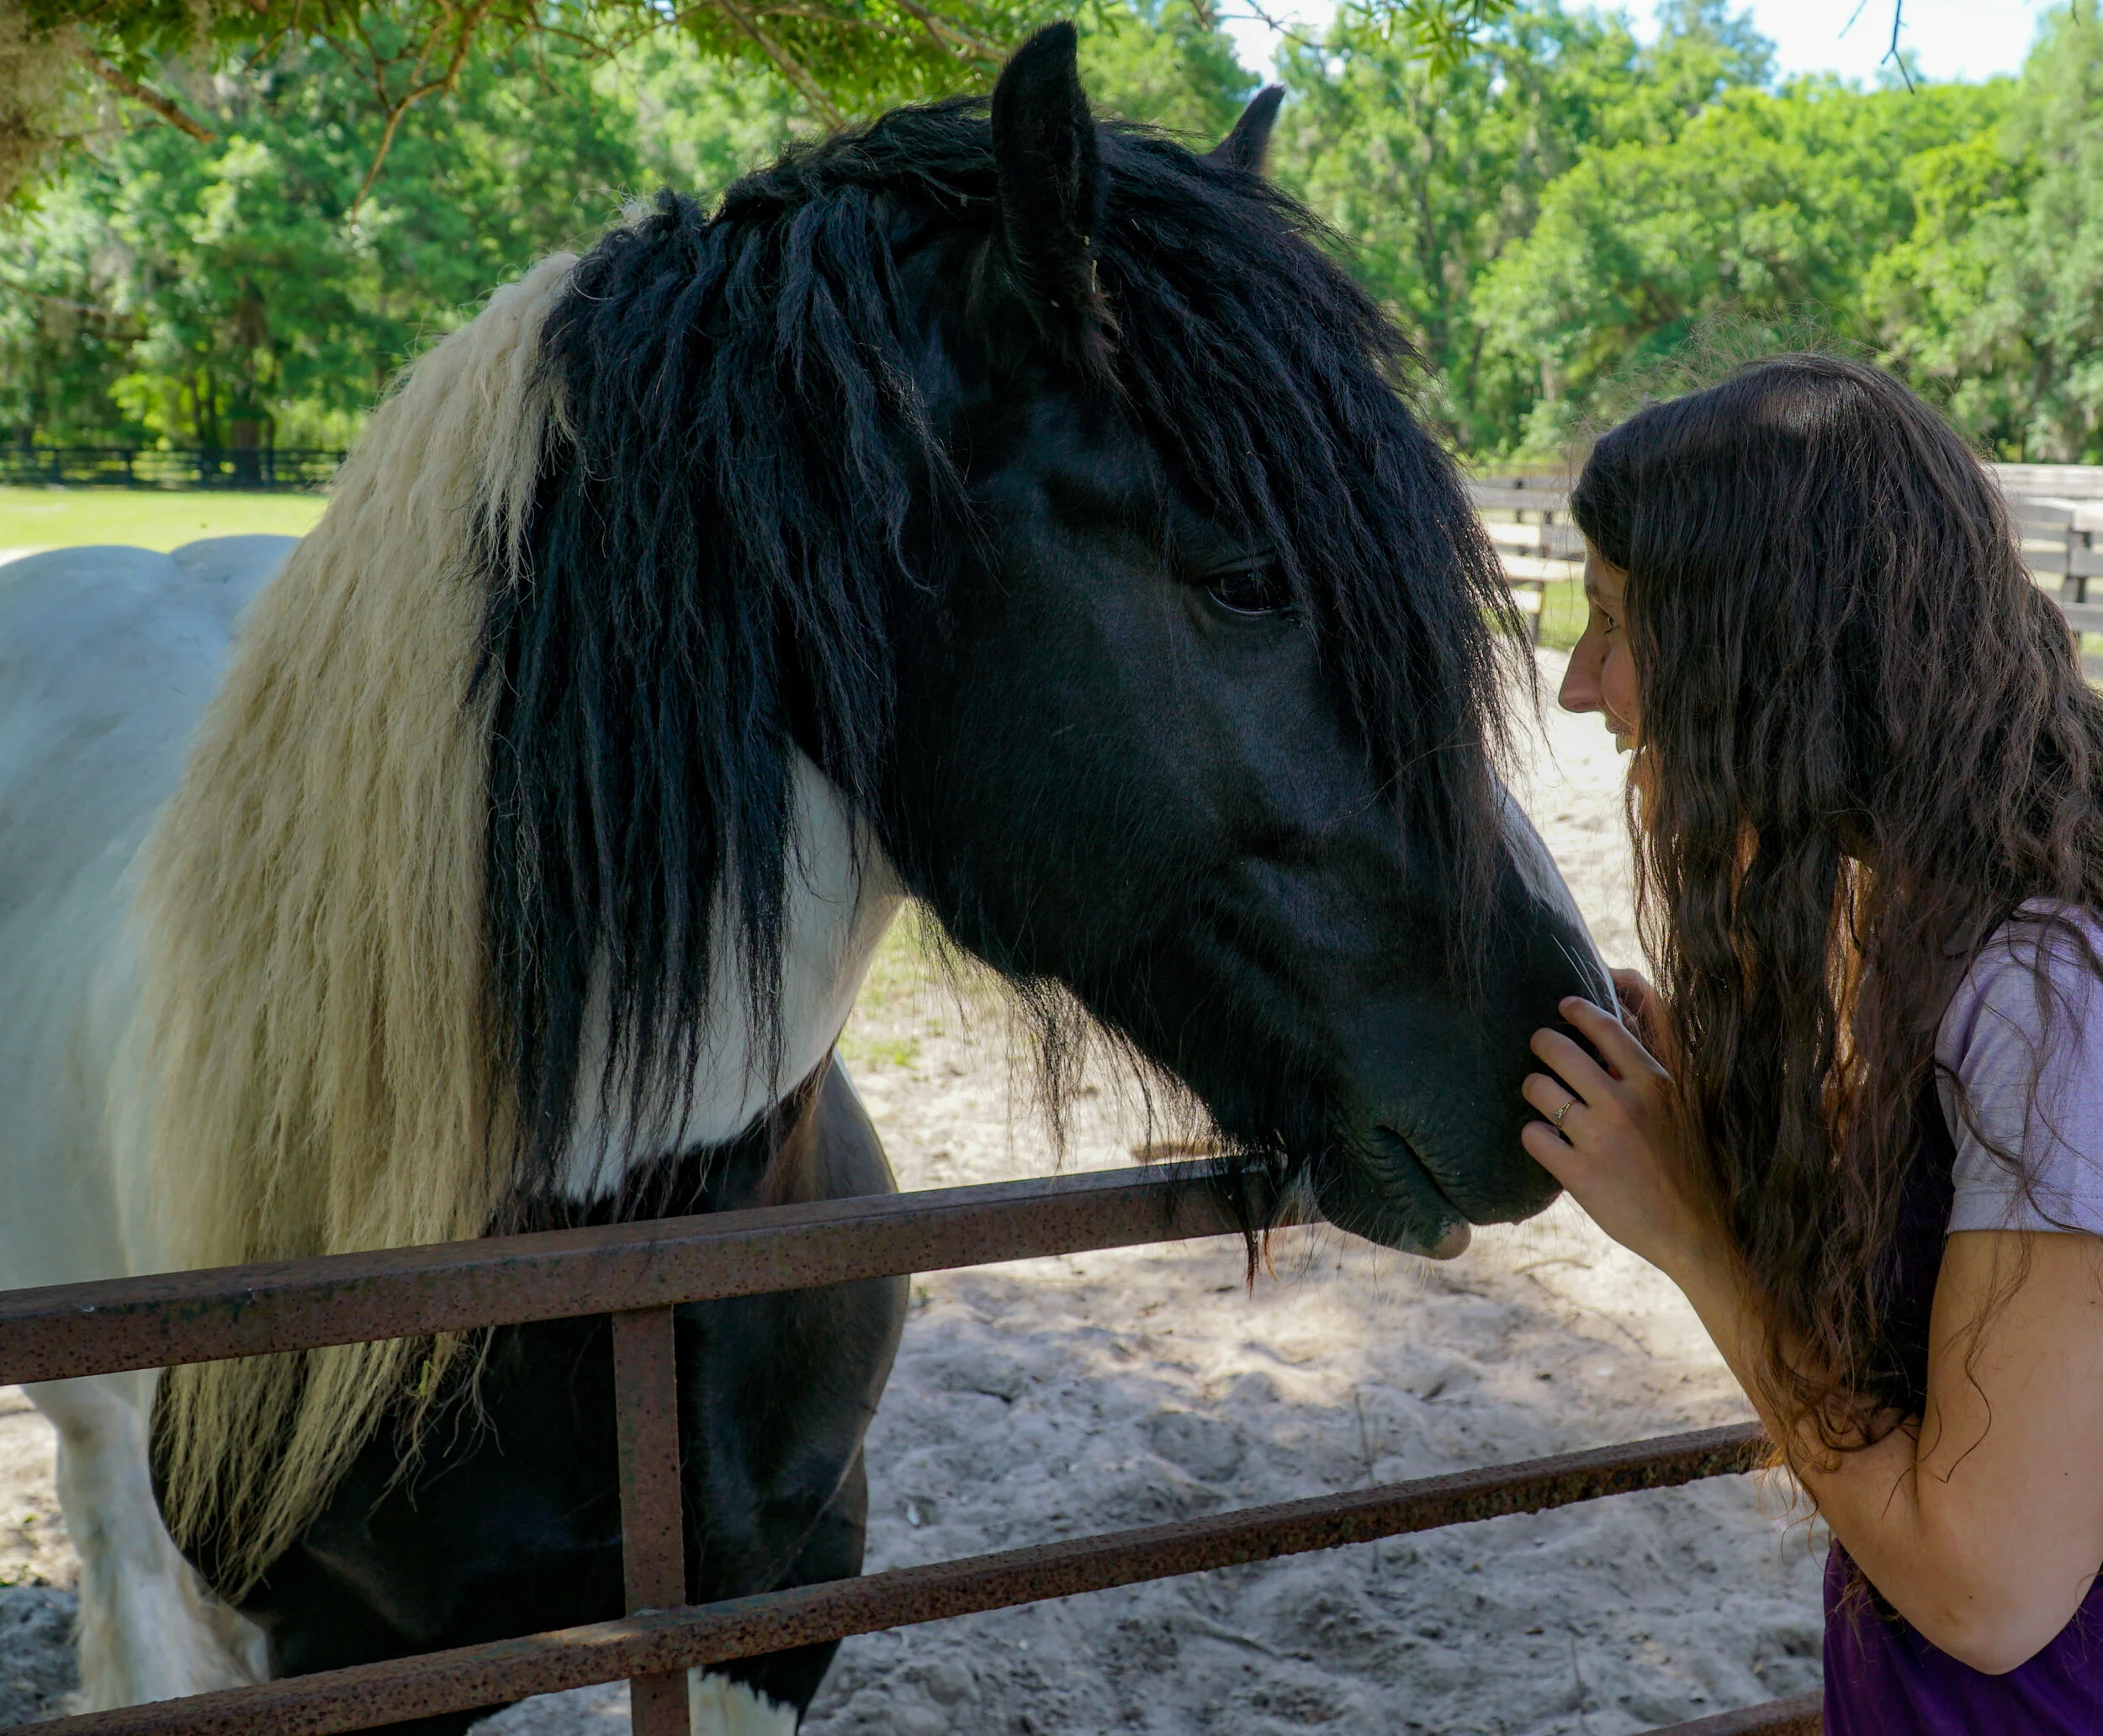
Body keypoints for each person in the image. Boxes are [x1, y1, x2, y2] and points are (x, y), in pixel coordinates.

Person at [1524, 353, 2103, 1733]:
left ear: (1767, 653)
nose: (1580, 685)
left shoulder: (2049, 988)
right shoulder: (1943, 904)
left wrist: (1695, 1234)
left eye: (1616, 622)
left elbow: (1988, 1594)